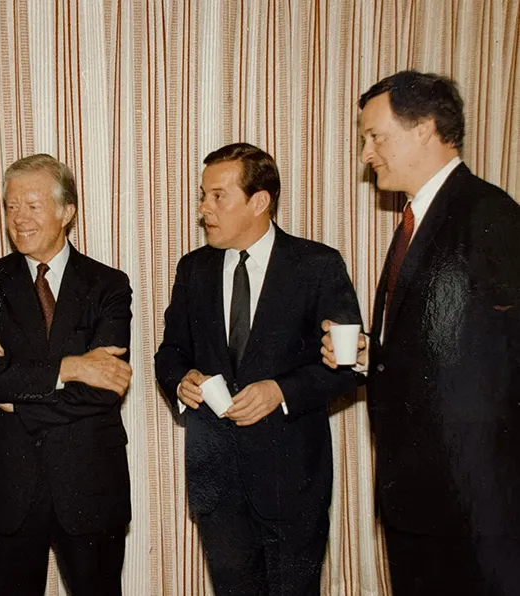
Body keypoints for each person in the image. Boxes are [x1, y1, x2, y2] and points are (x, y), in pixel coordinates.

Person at [321, 70, 520, 595]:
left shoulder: (488, 214)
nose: (366, 153)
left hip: (472, 502)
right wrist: (370, 356)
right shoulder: (418, 216)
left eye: (375, 136)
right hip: (421, 493)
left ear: (426, 129)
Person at [154, 142, 361, 596]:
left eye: (217, 196)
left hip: (292, 482)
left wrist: (280, 392)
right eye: (203, 196)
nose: (204, 208)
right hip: (217, 482)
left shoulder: (317, 265)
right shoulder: (194, 269)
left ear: (259, 201)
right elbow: (169, 354)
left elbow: (349, 365)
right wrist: (180, 380)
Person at [0, 154, 133, 596]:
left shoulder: (108, 285)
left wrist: (15, 396)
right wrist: (72, 367)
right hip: (8, 486)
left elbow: (104, 391)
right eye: (11, 206)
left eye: (32, 206)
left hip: (89, 485)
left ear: (66, 212)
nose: (19, 219)